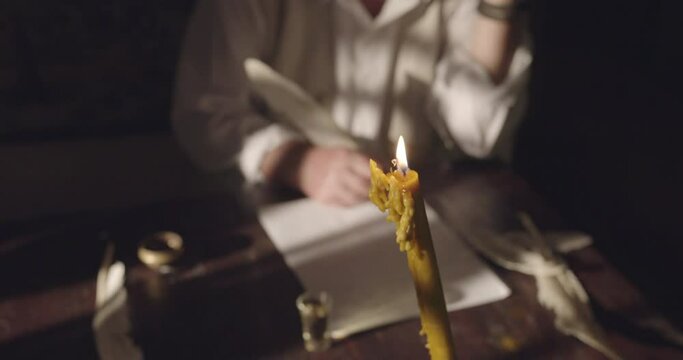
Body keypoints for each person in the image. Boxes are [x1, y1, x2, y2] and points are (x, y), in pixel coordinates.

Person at [172, 0, 532, 206]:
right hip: (286, 209)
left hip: (427, 209)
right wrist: (297, 162)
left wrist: (497, 8)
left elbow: (477, 132)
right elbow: (204, 112)